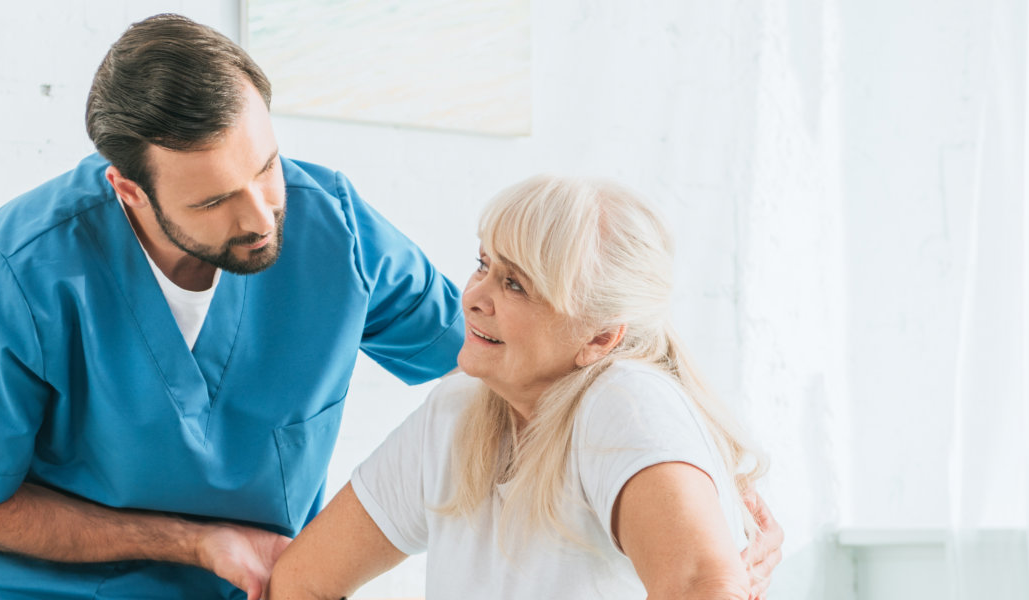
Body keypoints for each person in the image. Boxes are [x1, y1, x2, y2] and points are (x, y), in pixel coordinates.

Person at [0, 14, 783, 600]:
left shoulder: (330, 230)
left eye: (266, 168)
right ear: (129, 192)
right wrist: (198, 545)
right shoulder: (24, 274)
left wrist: (691, 466)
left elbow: (510, 349)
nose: (261, 215)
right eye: (212, 203)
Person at [268, 175, 777, 600]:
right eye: (484, 265)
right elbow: (300, 581)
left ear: (600, 337)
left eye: (516, 285)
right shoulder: (457, 408)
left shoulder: (625, 402)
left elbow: (704, 586)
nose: (472, 299)